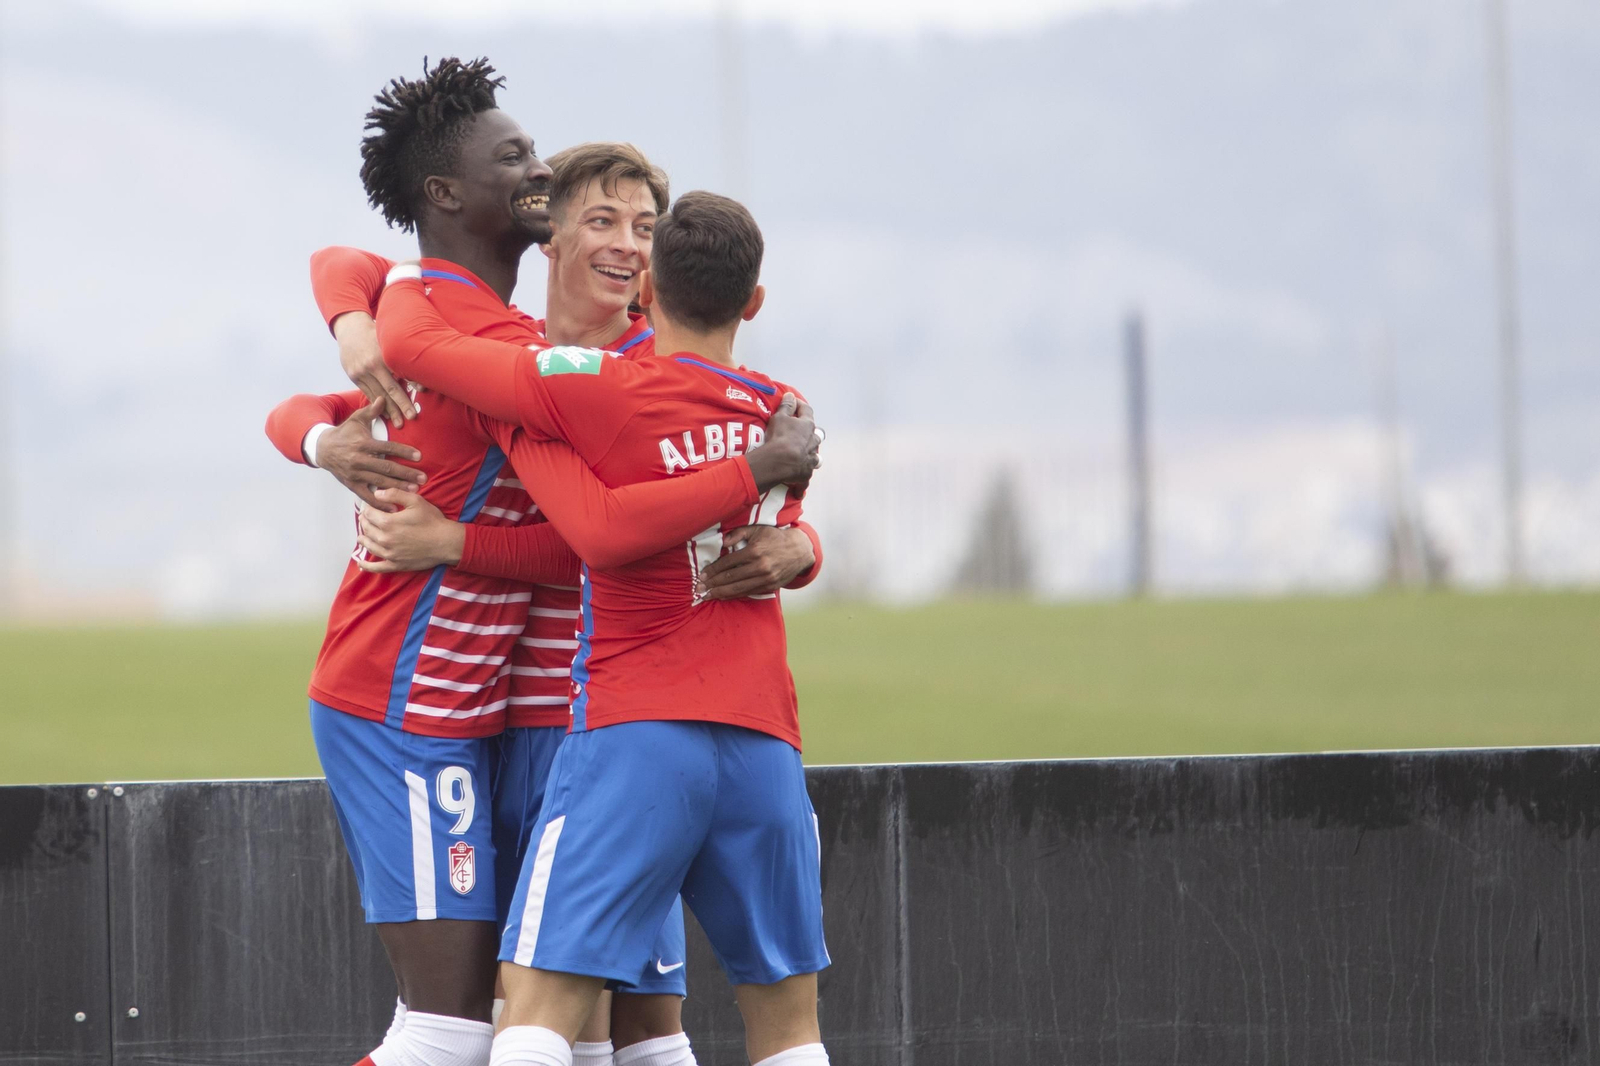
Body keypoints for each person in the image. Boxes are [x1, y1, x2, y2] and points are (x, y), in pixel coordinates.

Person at [265, 58, 819, 1066]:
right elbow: (349, 308)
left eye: (644, 226)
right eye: (599, 217)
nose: (625, 241)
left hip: (570, 721)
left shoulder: (585, 359)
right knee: (472, 1025)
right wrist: (323, 429)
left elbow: (643, 525)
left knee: (622, 1027)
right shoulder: (502, 353)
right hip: (435, 705)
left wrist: (800, 543)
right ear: (550, 234)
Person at [374, 190, 831, 1066]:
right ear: (753, 302)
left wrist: (397, 275)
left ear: (646, 292)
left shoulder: (596, 387)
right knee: (789, 1029)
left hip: (634, 736)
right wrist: (804, 548)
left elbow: (417, 349)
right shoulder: (788, 413)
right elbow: (783, 528)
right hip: (764, 743)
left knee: (535, 1010)